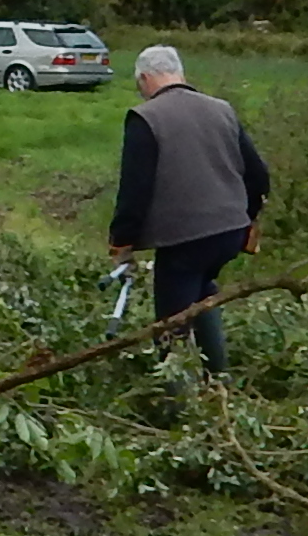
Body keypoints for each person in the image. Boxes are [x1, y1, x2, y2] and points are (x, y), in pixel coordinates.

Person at [110, 44, 270, 374]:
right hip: (229, 232)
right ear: (179, 73)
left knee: (171, 326)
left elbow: (134, 190)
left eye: (139, 84)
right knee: (202, 291)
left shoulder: (145, 117)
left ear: (144, 78)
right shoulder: (221, 109)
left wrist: (121, 241)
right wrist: (246, 219)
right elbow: (259, 175)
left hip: (186, 239)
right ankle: (219, 380)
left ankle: (176, 403)